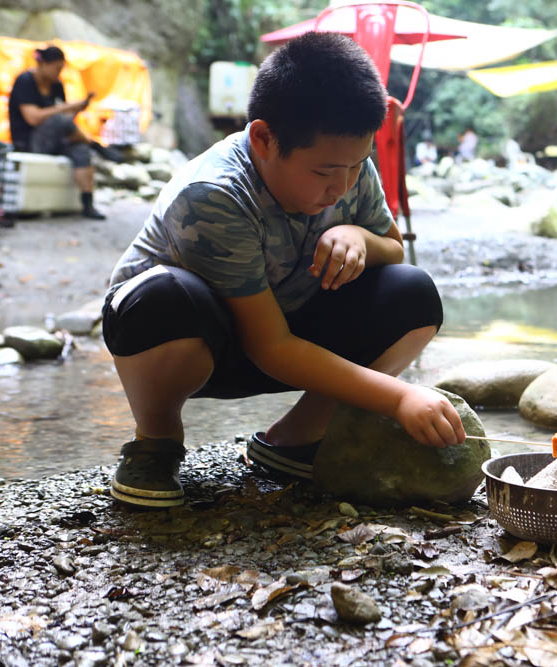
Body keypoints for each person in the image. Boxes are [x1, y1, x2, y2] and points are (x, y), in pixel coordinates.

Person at [102, 32, 466, 508]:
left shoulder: (348, 164)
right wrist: (399, 399)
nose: (341, 186)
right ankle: (157, 441)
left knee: (413, 295)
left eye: (357, 165)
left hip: (285, 328)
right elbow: (269, 347)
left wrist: (359, 238)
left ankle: (296, 438)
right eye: (323, 173)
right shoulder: (214, 196)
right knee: (164, 298)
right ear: (264, 138)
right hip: (188, 342)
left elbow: (394, 249)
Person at [7, 45, 120, 220]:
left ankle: (87, 204)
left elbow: (66, 121)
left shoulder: (56, 85)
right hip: (28, 141)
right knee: (60, 120)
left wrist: (78, 108)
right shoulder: (25, 81)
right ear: (43, 64)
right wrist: (65, 108)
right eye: (57, 69)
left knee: (81, 150)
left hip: (55, 139)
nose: (59, 73)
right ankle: (95, 144)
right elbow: (33, 118)